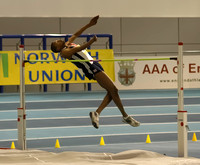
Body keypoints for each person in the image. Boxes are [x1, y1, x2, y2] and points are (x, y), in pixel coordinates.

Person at [51, 15, 140, 129]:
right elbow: (78, 49)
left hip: (94, 64)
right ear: (57, 48)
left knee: (112, 91)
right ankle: (125, 116)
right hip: (90, 68)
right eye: (56, 42)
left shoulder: (68, 43)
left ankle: (98, 113)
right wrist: (91, 41)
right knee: (113, 90)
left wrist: (90, 24)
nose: (58, 40)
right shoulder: (64, 53)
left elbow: (77, 34)